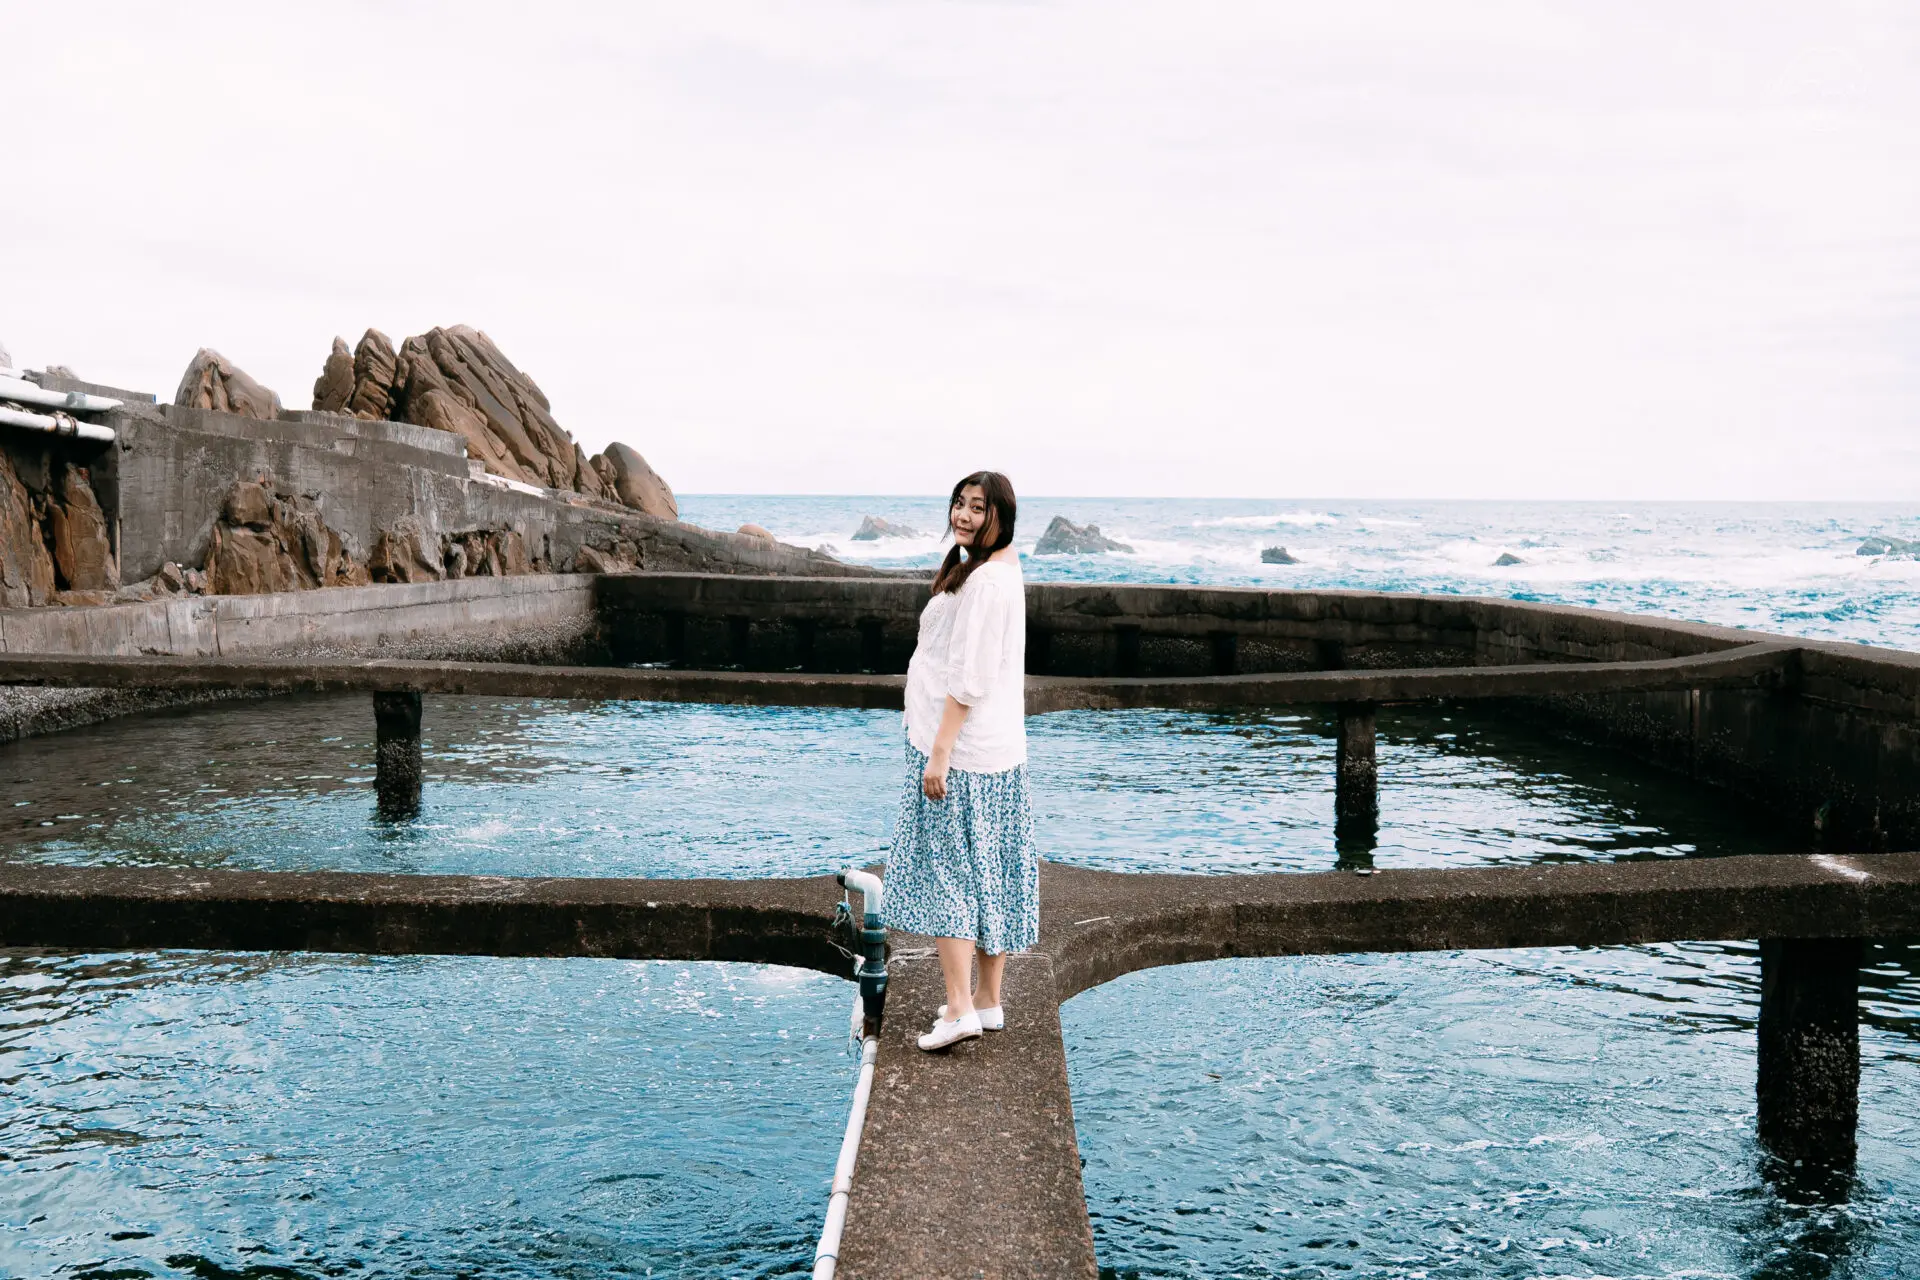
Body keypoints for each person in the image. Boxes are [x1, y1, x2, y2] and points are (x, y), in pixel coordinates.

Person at [883, 470, 1038, 1051]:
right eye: (959, 504)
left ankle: (957, 1008)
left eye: (978, 507)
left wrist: (940, 753)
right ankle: (987, 1001)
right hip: (997, 752)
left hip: (962, 753)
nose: (963, 516)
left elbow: (969, 679)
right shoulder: (997, 569)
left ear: (1002, 517)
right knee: (990, 869)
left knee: (948, 874)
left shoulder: (986, 584)